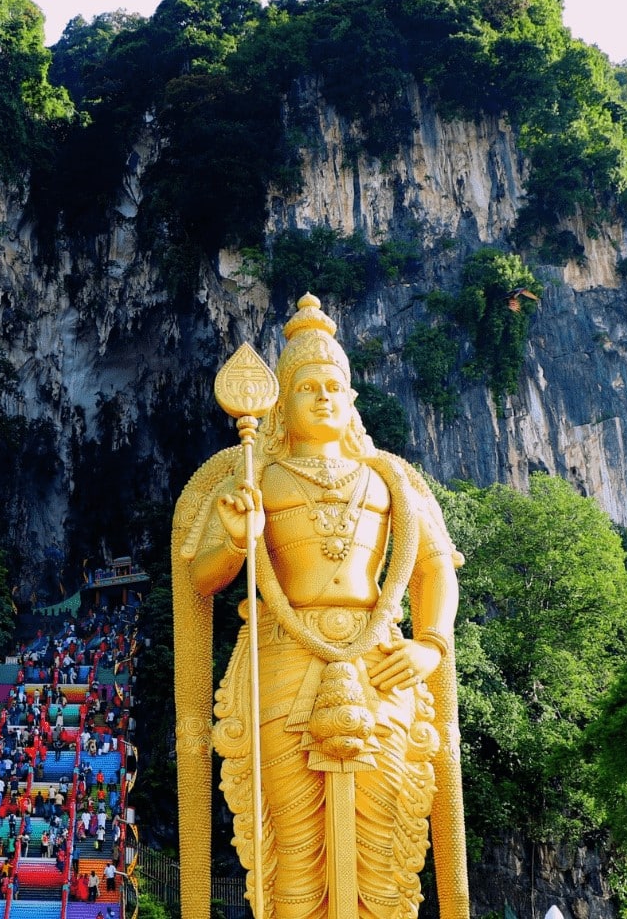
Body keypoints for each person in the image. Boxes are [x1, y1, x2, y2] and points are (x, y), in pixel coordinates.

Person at [174, 295, 467, 919]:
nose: (325, 397)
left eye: (336, 385)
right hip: (284, 659)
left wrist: (431, 643)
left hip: (381, 661)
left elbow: (436, 565)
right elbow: (200, 579)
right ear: (282, 401)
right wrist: (235, 538)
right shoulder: (255, 479)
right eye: (308, 386)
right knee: (294, 854)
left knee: (386, 845)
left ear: (353, 398)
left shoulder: (392, 480)